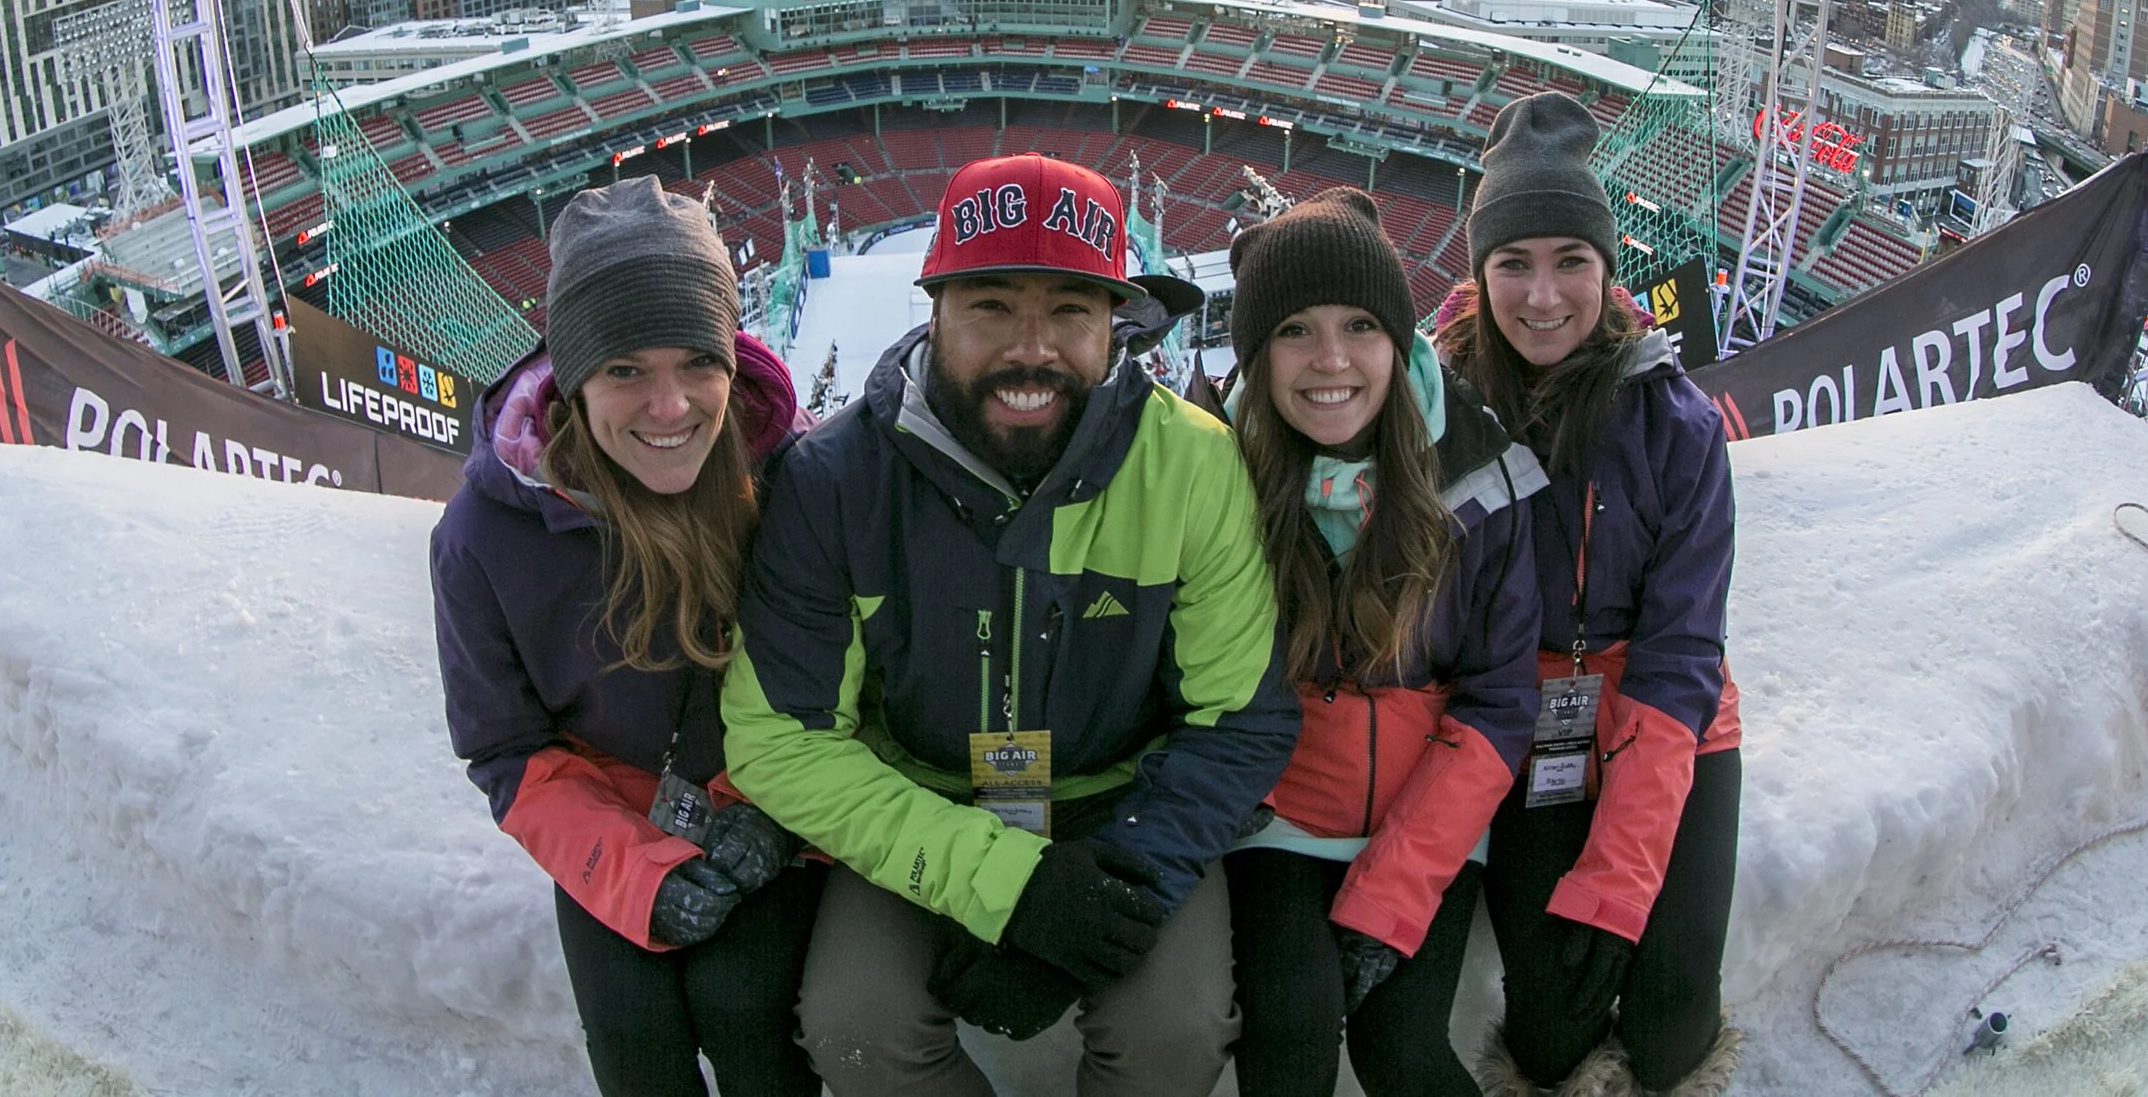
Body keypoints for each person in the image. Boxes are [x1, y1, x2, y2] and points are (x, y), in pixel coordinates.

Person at [720, 154, 1300, 1097]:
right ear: (933, 308)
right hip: (925, 796)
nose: (1031, 348)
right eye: (991, 306)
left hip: (1122, 804)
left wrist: (1116, 887)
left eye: (1070, 310)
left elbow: (1239, 717)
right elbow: (779, 738)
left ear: (1115, 323)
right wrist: (1013, 886)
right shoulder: (832, 481)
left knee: (1176, 1032)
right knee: (857, 1028)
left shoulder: (1194, 464)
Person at [430, 176, 820, 1097]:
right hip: (606, 814)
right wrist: (632, 871)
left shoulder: (796, 486)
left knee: (745, 1004)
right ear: (570, 373)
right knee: (632, 1034)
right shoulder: (482, 538)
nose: (671, 405)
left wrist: (775, 817)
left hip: (776, 799)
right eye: (624, 369)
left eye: (696, 361)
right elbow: (507, 750)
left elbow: (855, 687)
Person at [1443, 94, 1745, 1097]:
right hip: (1522, 717)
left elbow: (1681, 654)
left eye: (1569, 259)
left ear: (1607, 270)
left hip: (1671, 720)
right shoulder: (1441, 412)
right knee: (1552, 1010)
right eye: (1512, 262)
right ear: (1479, 272)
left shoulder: (1678, 422)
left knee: (1668, 1011)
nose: (1541, 294)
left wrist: (1618, 878)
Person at [1215, 188, 1545, 1097]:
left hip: (1430, 813)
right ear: (1256, 350)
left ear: (1400, 341)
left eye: (1361, 324)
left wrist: (1398, 883)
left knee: (1402, 1045)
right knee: (1289, 1028)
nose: (1331, 360)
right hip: (1279, 818)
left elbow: (1500, 699)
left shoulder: (1478, 469)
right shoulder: (1217, 469)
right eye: (1294, 330)